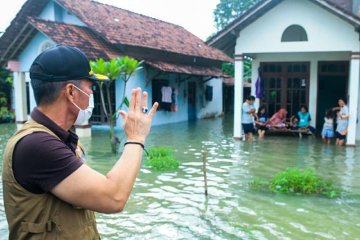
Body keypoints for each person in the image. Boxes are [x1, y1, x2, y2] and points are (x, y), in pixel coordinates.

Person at [2, 45, 159, 239]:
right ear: (71, 92)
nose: (92, 94)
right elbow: (114, 197)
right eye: (90, 87)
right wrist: (136, 138)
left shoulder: (59, 138)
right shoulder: (36, 145)